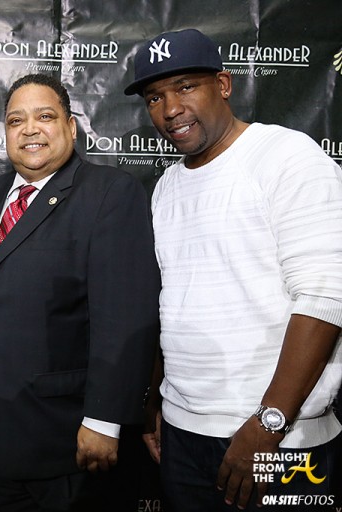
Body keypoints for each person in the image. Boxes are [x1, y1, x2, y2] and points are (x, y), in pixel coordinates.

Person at [125, 28, 342, 511]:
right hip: (182, 434)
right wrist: (156, 401)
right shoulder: (167, 187)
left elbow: (325, 298)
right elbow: (168, 305)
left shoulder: (288, 157)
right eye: (155, 97)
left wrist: (268, 424)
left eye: (185, 87)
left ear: (223, 84)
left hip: (278, 442)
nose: (170, 109)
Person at [0, 73, 160, 511]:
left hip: (66, 444)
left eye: (44, 116)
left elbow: (125, 318)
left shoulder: (109, 193)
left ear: (71, 126)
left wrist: (104, 419)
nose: (30, 129)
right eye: (16, 120)